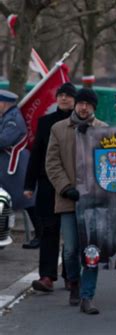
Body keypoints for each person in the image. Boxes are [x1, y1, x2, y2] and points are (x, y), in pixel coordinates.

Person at [45, 88, 107, 314]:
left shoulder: (104, 130)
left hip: (94, 203)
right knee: (71, 249)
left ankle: (87, 296)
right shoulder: (59, 129)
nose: (83, 107)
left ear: (93, 107)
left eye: (88, 104)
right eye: (80, 103)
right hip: (68, 199)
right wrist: (65, 187)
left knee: (91, 250)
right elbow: (52, 163)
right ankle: (73, 281)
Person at [24, 82, 76, 292]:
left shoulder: (79, 123)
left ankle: (70, 275)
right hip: (47, 185)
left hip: (72, 186)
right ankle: (47, 276)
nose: (64, 99)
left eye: (68, 96)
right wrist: (29, 184)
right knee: (48, 231)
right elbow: (36, 154)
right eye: (61, 95)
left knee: (72, 234)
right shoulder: (45, 122)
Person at [0, 90, 37, 246]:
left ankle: (40, 235)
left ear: (3, 103)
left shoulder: (13, 119)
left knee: (27, 201)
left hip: (14, 166)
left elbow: (3, 140)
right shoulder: (8, 116)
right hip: (8, 164)